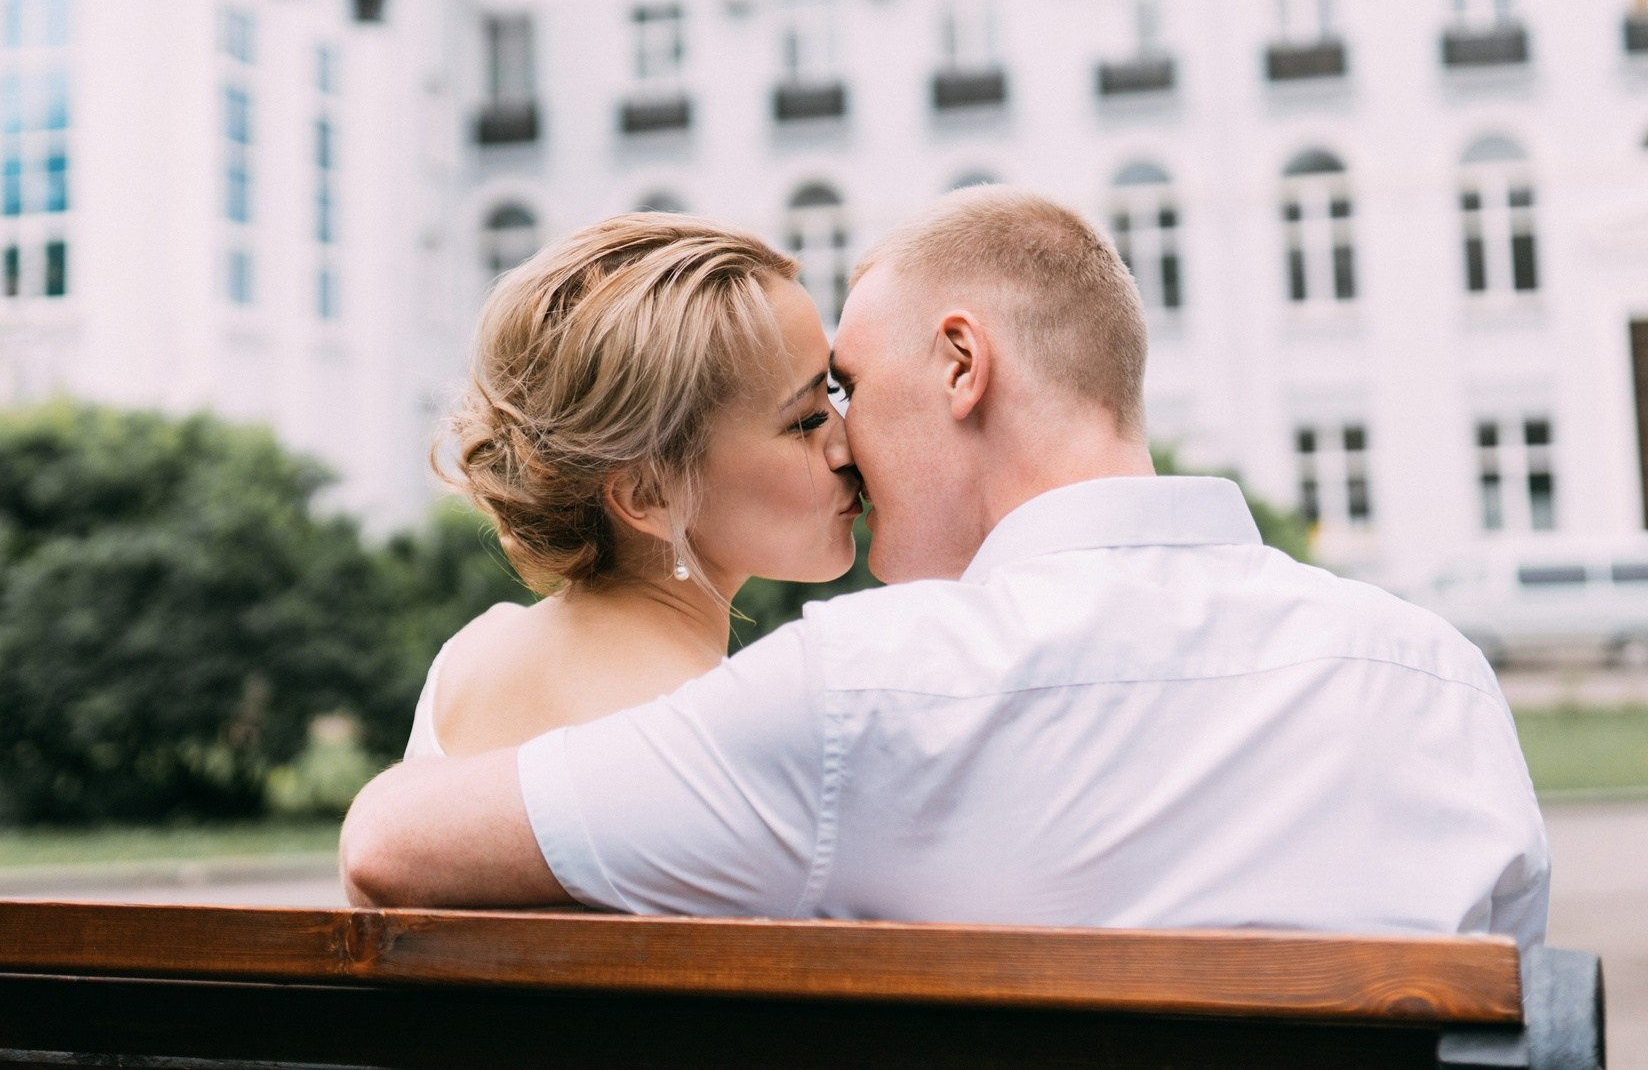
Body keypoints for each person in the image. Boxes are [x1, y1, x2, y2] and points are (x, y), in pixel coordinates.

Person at [343, 188, 1551, 948]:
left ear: (961, 367)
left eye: (846, 392)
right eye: (812, 407)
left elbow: (393, 839)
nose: (845, 446)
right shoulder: (1436, 675)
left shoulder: (864, 691)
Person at [404, 213, 860, 759]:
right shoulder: (718, 736)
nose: (848, 443)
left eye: (835, 391)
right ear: (646, 495)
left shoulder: (472, 654)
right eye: (805, 422)